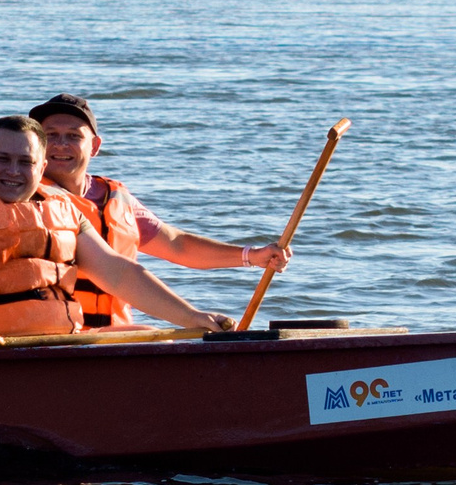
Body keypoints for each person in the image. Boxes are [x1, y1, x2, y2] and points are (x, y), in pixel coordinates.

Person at [0, 70, 233, 335]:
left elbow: (118, 272)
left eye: (25, 162)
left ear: (42, 167)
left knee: (150, 334)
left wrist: (192, 317)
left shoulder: (63, 208)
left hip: (55, 347)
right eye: (2, 159)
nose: (13, 171)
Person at [28, 93, 288, 329]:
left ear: (94, 146)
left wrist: (252, 256)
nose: (61, 144)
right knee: (150, 332)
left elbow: (177, 245)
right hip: (55, 333)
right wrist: (190, 316)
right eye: (51, 135)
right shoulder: (24, 199)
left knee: (154, 335)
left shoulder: (115, 197)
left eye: (74, 136)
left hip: (112, 334)